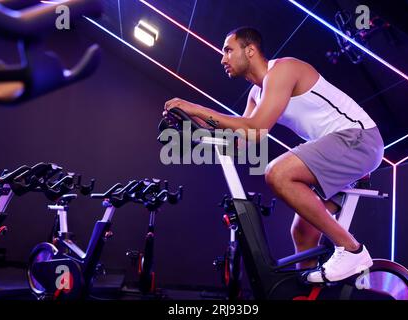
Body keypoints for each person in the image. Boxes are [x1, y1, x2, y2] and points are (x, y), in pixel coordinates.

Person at [163, 27, 384, 283]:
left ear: (250, 50)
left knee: (278, 173)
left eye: (228, 50)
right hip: (338, 151)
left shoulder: (283, 70)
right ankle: (306, 294)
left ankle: (352, 250)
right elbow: (240, 142)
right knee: (303, 233)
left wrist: (196, 107)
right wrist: (191, 123)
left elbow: (255, 129)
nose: (222, 58)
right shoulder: (256, 94)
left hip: (359, 139)